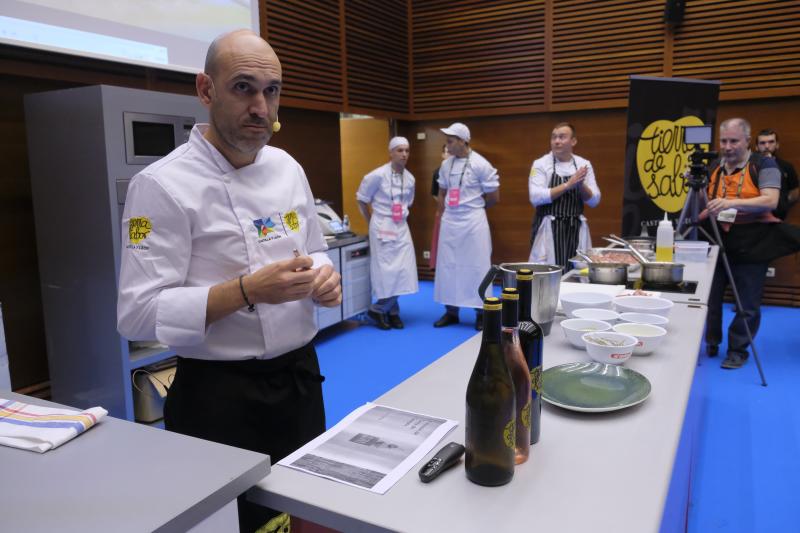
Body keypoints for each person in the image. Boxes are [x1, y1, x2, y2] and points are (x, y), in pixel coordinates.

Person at [116, 29, 342, 532]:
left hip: (301, 380)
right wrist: (245, 291)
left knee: (305, 512)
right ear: (205, 90)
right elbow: (136, 314)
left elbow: (318, 255)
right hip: (220, 396)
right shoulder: (160, 186)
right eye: (243, 87)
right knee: (239, 523)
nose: (261, 106)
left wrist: (327, 283)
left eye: (272, 89)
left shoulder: (287, 167)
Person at [703, 118, 781, 369]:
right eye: (723, 140)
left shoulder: (765, 164)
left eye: (734, 141)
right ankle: (711, 341)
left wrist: (730, 203)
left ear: (748, 141)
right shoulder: (714, 166)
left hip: (752, 242)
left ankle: (738, 349)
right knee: (710, 298)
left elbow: (770, 200)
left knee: (747, 303)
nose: (727, 146)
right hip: (716, 239)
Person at [433, 122, 499, 330]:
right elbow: (442, 192)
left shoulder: (481, 164)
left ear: (463, 141)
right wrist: (444, 214)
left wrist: (475, 209)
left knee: (478, 267)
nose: (447, 145)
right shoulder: (446, 165)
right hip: (450, 222)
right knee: (447, 268)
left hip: (473, 222)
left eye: (451, 141)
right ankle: (451, 312)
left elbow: (494, 196)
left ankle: (481, 313)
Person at [356, 136, 419, 330]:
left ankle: (379, 310)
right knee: (386, 273)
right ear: (390, 152)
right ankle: (391, 312)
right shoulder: (376, 175)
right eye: (399, 150)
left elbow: (408, 203)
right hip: (382, 226)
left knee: (404, 271)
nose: (404, 154)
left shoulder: (410, 178)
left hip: (401, 226)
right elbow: (361, 199)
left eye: (407, 151)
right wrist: (370, 222)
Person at [528, 122, 601, 269]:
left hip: (575, 228)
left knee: (577, 273)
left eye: (562, 137)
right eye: (554, 137)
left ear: (573, 141)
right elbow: (535, 197)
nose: (556, 141)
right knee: (547, 273)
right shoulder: (540, 164)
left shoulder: (583, 164)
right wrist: (568, 185)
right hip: (549, 227)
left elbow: (595, 200)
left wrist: (580, 185)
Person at [756, 128, 799, 220]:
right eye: (762, 143)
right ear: (756, 146)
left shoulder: (787, 166)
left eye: (771, 142)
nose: (767, 146)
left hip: (779, 217)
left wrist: (783, 202)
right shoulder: (749, 166)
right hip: (754, 216)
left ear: (777, 145)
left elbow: (795, 191)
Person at [429, 144, 448, 269]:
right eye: (446, 152)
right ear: (442, 154)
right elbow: (435, 194)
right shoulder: (437, 172)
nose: (449, 154)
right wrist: (444, 204)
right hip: (443, 211)